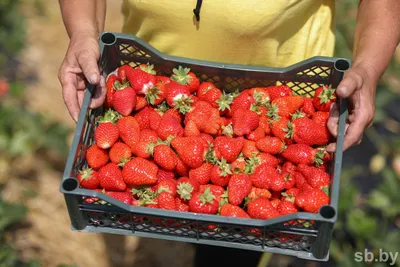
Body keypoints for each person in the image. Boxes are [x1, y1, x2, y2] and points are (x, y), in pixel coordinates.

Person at [58, 1, 400, 266]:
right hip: (159, 84)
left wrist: (367, 68)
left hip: (281, 89)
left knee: (230, 254)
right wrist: (83, 32)